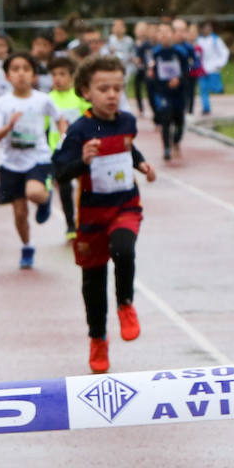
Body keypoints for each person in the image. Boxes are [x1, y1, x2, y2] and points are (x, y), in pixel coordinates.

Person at [52, 55, 156, 374]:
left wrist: (141, 164)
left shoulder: (127, 121)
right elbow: (60, 172)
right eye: (103, 88)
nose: (112, 95)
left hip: (125, 205)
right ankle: (98, 338)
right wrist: (82, 160)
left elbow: (128, 147)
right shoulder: (80, 130)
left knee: (123, 249)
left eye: (117, 88)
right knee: (93, 283)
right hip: (92, 216)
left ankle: (125, 302)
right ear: (85, 91)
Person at [0, 51, 66, 269]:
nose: (21, 74)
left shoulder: (43, 99)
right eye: (15, 69)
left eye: (26, 69)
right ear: (7, 76)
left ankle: (45, 197)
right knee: (20, 213)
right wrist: (8, 127)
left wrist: (63, 137)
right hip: (11, 163)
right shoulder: (2, 103)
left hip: (38, 158)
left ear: (34, 76)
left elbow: (60, 119)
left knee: (34, 192)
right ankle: (27, 246)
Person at [46, 55, 90, 242]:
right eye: (54, 74)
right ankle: (70, 224)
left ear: (72, 77)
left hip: (80, 152)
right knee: (64, 189)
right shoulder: (47, 99)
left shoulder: (79, 99)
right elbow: (43, 127)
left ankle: (85, 220)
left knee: (85, 188)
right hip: (60, 153)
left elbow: (91, 120)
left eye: (62, 74)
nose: (57, 78)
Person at [149, 21, 189, 161]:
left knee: (179, 121)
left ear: (173, 34)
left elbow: (187, 70)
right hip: (163, 92)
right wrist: (152, 74)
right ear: (158, 35)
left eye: (167, 32)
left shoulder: (180, 52)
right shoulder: (155, 53)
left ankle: (176, 141)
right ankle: (166, 148)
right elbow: (151, 72)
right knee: (166, 118)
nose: (164, 35)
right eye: (161, 32)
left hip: (178, 92)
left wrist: (179, 79)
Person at [195, 20, 229, 115]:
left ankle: (220, 88)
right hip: (202, 69)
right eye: (205, 27)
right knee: (203, 89)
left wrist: (220, 63)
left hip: (213, 68)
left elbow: (224, 51)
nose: (207, 29)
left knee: (215, 88)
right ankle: (206, 108)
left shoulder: (216, 39)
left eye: (209, 27)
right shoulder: (198, 40)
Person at [107, 18, 136, 85]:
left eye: (120, 27)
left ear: (124, 29)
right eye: (116, 26)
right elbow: (104, 53)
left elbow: (133, 54)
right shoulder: (110, 40)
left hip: (126, 67)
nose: (118, 29)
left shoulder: (129, 41)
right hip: (113, 67)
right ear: (112, 29)